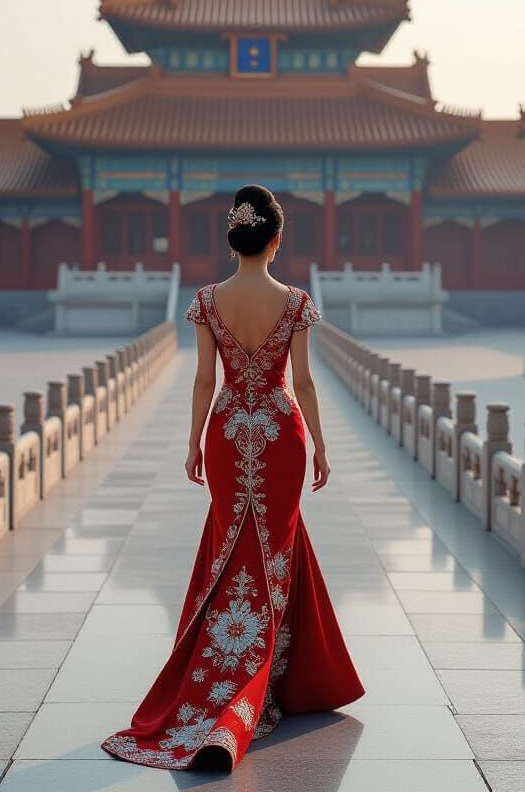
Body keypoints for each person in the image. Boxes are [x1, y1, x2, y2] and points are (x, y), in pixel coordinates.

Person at [102, 184, 364, 770]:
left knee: (231, 545)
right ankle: (260, 684)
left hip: (226, 432)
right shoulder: (295, 303)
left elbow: (204, 379)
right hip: (278, 433)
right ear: (276, 240)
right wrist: (321, 444)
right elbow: (303, 382)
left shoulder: (206, 301)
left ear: (232, 241)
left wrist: (193, 441)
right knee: (275, 551)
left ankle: (242, 672)